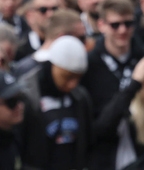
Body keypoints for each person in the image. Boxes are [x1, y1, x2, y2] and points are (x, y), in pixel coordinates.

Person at [18, 36, 94, 170]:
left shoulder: (80, 97)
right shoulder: (28, 97)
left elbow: (88, 142)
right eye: (67, 77)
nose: (72, 84)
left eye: (78, 78)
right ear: (53, 66)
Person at [82, 0, 144, 116]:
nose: (122, 30)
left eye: (128, 24)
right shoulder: (89, 64)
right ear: (101, 25)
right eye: (115, 25)